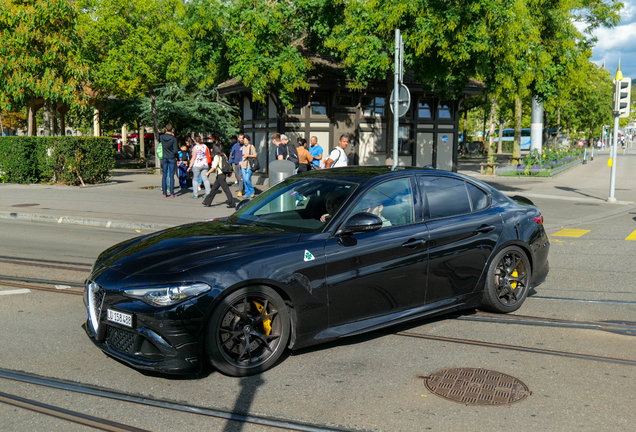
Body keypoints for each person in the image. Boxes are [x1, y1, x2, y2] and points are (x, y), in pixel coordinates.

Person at [202, 143, 235, 208]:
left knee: (226, 189)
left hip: (220, 175)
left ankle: (232, 203)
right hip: (222, 174)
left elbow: (214, 167)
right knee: (214, 189)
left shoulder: (217, 156)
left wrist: (208, 173)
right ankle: (207, 201)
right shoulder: (224, 155)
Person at [160, 124, 179, 198]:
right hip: (172, 158)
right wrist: (177, 157)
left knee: (164, 175)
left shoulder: (161, 137)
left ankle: (164, 193)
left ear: (165, 129)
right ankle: (172, 193)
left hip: (164, 157)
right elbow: (175, 150)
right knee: (171, 175)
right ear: (172, 130)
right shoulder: (173, 139)